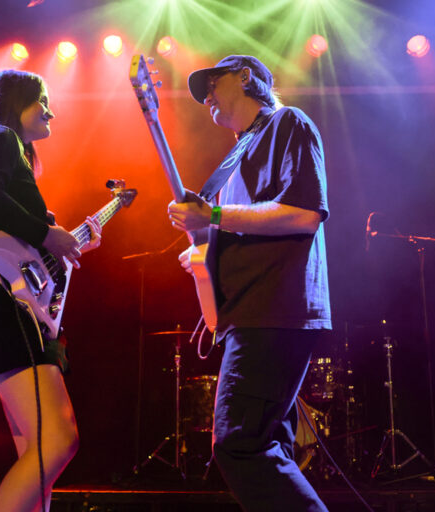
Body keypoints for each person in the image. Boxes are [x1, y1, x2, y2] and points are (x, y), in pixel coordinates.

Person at [167, 55, 331, 511]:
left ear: (245, 77)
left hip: (273, 308)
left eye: (213, 84)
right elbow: (245, 226)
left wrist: (214, 215)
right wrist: (205, 254)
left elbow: (304, 214)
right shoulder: (236, 157)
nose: (206, 97)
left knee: (239, 444)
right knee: (266, 445)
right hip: (250, 311)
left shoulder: (287, 123)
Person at [0, 69, 102, 512]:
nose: (51, 111)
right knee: (58, 439)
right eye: (41, 101)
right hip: (0, 311)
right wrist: (46, 233)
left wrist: (55, 238)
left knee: (37, 452)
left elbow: (6, 232)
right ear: (16, 102)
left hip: (0, 308)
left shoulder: (1, 147)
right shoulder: (0, 137)